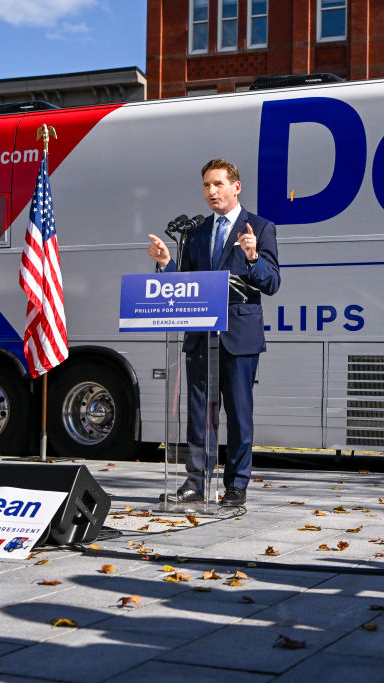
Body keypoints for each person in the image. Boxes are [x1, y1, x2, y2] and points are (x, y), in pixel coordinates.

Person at [147, 159, 281, 506]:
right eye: (207, 185)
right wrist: (165, 264)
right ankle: (195, 482)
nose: (212, 192)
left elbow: (271, 283)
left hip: (239, 338)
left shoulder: (261, 228)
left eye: (219, 184)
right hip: (201, 338)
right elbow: (185, 285)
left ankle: (236, 486)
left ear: (236, 187)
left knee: (238, 414)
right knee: (199, 413)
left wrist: (252, 257)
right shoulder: (197, 233)